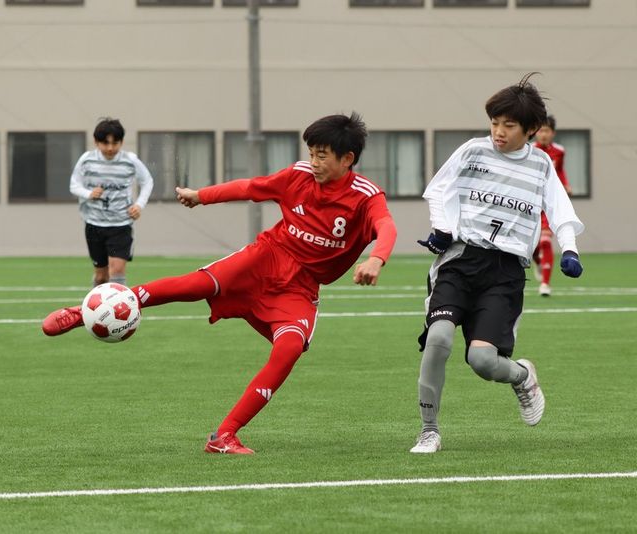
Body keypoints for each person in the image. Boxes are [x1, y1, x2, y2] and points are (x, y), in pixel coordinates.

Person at [43, 113, 397, 454]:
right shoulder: (298, 176)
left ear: (347, 159)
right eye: (311, 154)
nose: (314, 162)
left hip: (300, 287)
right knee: (196, 286)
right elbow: (250, 187)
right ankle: (82, 313)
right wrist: (202, 195)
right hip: (265, 258)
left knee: (289, 349)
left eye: (322, 155)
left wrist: (376, 259)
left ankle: (224, 435)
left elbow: (386, 226)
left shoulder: (366, 196)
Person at [410, 74, 584, 454]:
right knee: (438, 339)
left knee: (482, 360)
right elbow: (438, 191)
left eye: (508, 125)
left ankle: (521, 375)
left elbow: (561, 212)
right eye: (494, 123)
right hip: (460, 260)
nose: (498, 132)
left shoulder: (541, 165)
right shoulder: (473, 151)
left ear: (530, 129)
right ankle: (428, 431)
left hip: (504, 274)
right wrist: (442, 229)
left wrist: (569, 249)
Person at [70, 117, 154, 287]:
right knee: (101, 276)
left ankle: (120, 305)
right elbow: (74, 185)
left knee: (116, 271)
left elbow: (147, 181)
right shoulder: (86, 160)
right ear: (96, 142)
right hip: (94, 225)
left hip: (121, 225)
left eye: (115, 143)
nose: (110, 148)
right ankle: (95, 303)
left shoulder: (130, 160)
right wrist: (89, 193)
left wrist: (139, 205)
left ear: (121, 142)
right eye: (105, 143)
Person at [532, 115, 572, 296]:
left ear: (553, 133)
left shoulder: (559, 151)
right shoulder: (529, 150)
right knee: (533, 245)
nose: (543, 134)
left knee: (546, 241)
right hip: (532, 203)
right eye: (540, 130)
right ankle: (539, 261)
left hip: (550, 203)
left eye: (547, 130)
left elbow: (560, 170)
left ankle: (545, 284)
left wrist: (566, 185)